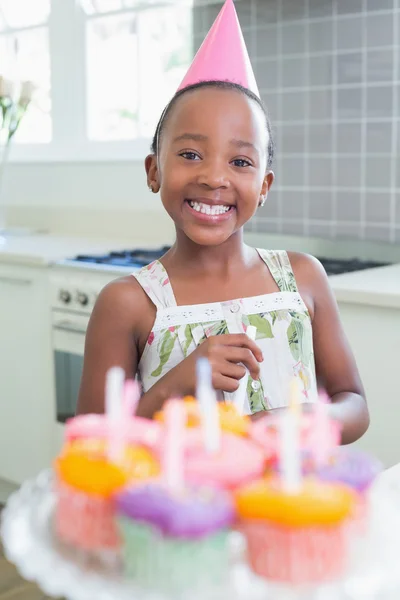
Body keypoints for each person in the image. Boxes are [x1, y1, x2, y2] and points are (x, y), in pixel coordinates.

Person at [77, 0, 369, 444]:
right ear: (153, 170)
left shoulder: (303, 277)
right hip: (187, 513)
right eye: (190, 154)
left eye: (239, 161)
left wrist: (309, 421)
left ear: (265, 185)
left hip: (293, 510)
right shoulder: (127, 304)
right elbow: (94, 444)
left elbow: (354, 402)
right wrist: (180, 381)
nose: (214, 177)